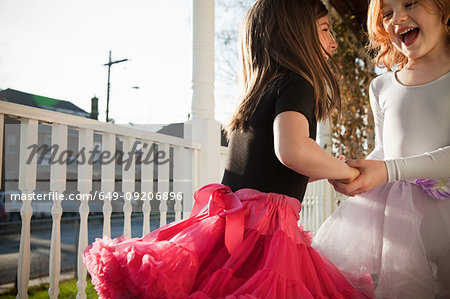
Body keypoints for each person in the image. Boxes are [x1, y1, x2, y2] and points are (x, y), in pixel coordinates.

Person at [83, 0, 373, 298]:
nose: (334, 43)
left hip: (230, 224)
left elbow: (274, 171)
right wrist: (347, 170)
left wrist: (324, 168)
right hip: (264, 233)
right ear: (295, 33)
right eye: (325, 29)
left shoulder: (255, 95)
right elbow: (294, 151)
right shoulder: (296, 84)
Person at [312, 0, 450, 297]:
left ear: (444, 7)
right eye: (387, 13)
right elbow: (385, 150)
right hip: (403, 225)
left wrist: (389, 170)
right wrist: (355, 171)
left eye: (410, 3)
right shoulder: (382, 86)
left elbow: (392, 164)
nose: (397, 18)